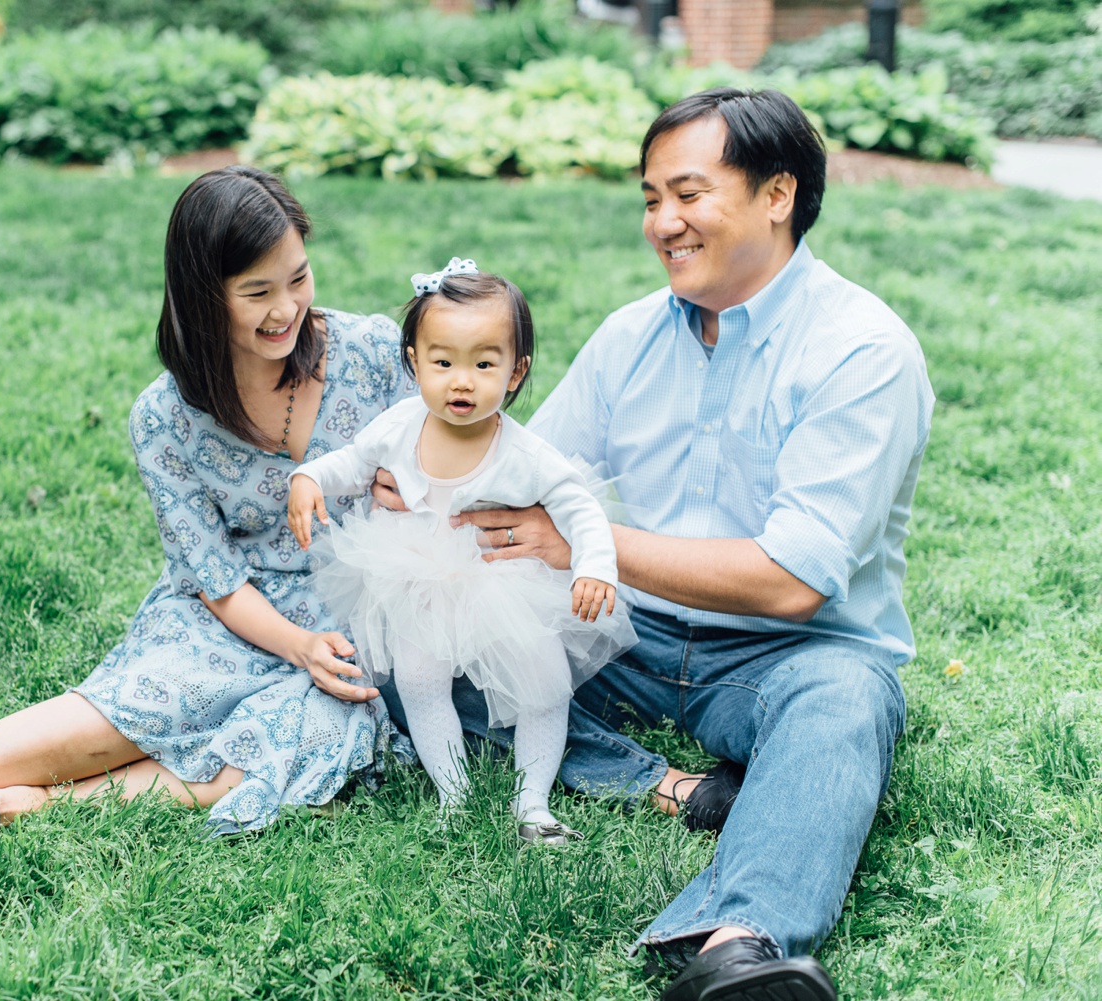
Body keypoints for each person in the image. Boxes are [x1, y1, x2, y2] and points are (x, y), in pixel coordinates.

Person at [375, 88, 933, 1001]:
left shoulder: (861, 351)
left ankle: (735, 946)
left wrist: (581, 545)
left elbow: (794, 582)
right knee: (419, 654)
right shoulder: (630, 336)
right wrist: (426, 479)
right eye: (649, 199)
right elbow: (519, 474)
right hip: (626, 634)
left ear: (777, 194)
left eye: (686, 194)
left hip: (788, 651)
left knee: (846, 703)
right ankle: (673, 788)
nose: (661, 223)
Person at [0, 165, 418, 876]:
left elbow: (462, 450)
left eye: (298, 279)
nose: (286, 309)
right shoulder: (165, 417)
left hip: (361, 604)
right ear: (205, 296)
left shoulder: (375, 352)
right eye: (256, 292)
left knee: (316, 732)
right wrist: (297, 645)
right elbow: (215, 578)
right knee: (145, 704)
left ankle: (28, 802)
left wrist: (414, 485)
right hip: (235, 609)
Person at [287, 261, 637, 846]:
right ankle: (454, 795)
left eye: (484, 363)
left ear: (516, 371)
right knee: (422, 684)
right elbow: (352, 462)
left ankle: (534, 805)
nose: (462, 381)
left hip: (499, 584)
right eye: (443, 362)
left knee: (546, 684)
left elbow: (579, 507)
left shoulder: (524, 452)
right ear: (414, 361)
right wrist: (309, 478)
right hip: (418, 579)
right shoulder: (400, 425)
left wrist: (595, 565)